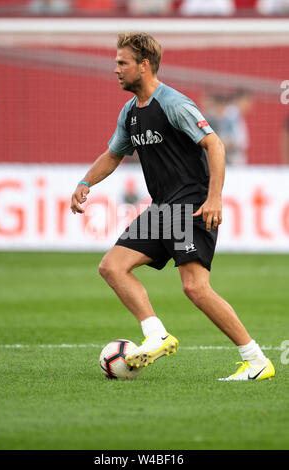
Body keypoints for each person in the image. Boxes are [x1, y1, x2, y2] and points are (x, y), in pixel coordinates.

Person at [70, 32, 275, 381]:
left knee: (195, 287)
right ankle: (156, 335)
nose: (116, 69)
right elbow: (114, 154)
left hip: (192, 205)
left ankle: (255, 360)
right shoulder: (130, 112)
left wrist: (214, 197)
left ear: (144, 65)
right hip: (162, 208)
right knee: (112, 267)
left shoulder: (174, 104)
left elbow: (215, 145)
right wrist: (86, 182)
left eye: (122, 63)